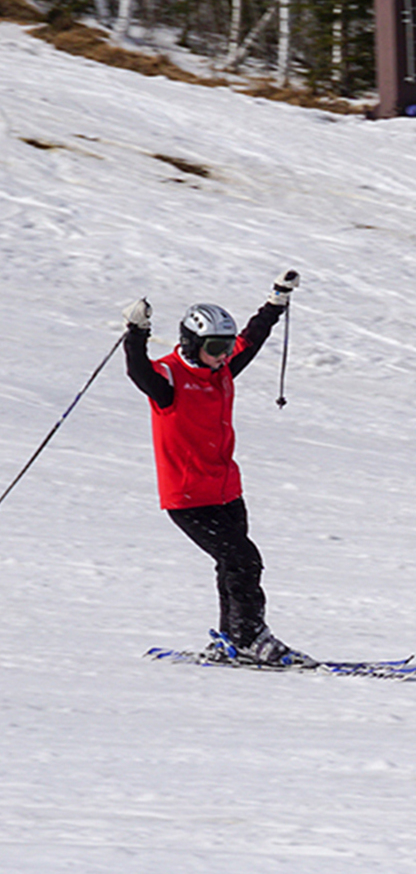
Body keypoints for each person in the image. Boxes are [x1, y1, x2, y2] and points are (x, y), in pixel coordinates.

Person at [122, 270, 304, 665]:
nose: (224, 355)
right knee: (245, 560)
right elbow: (138, 371)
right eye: (215, 347)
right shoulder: (169, 378)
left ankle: (231, 638)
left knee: (232, 564)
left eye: (224, 347)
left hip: (226, 491)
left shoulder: (218, 369)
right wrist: (136, 331)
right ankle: (250, 637)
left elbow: (251, 341)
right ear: (191, 343)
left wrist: (276, 302)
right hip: (189, 498)